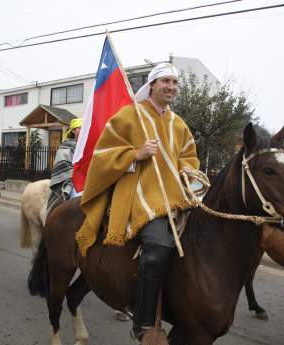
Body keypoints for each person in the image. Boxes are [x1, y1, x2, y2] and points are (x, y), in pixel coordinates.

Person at [75, 63, 200, 339]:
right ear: (152, 85)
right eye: (166, 81)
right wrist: (136, 154)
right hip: (141, 196)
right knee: (157, 249)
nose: (171, 87)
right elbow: (103, 154)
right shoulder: (129, 116)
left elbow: (190, 156)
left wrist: (187, 170)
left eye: (175, 83)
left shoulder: (178, 123)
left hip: (176, 196)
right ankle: (143, 324)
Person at [46, 118, 83, 215]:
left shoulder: (89, 145)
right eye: (79, 128)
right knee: (76, 198)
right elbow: (64, 165)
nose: (82, 130)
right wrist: (77, 175)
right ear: (74, 130)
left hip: (87, 179)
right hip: (71, 179)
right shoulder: (66, 146)